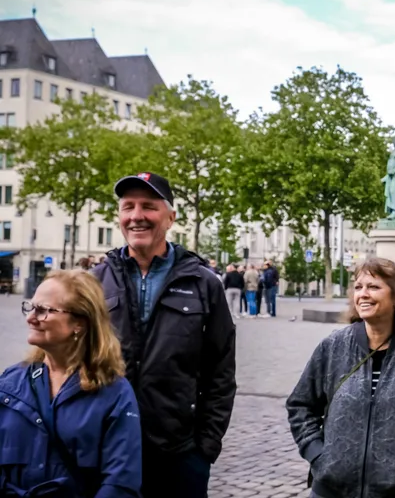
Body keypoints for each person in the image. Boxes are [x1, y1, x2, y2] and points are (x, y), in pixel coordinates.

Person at [92, 172, 237, 498]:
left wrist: (205, 448)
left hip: (179, 453)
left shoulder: (203, 283)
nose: (136, 216)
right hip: (106, 449)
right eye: (128, 207)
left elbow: (221, 370)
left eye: (149, 206)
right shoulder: (96, 281)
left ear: (170, 218)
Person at [287, 257, 395, 498]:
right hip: (332, 491)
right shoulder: (333, 346)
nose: (363, 294)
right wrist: (318, 455)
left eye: (374, 287)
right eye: (359, 287)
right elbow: (300, 405)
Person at [0, 270, 141, 497]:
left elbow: (121, 482)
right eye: (30, 307)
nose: (30, 318)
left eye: (43, 310)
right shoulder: (9, 384)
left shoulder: (113, 393)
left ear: (80, 323)